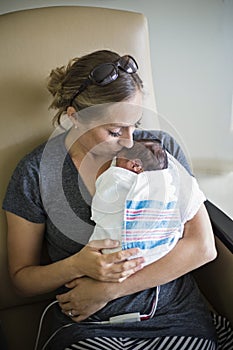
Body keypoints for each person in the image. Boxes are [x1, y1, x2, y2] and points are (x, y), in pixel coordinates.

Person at [2, 50, 217, 350]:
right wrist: (78, 264)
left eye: (135, 123)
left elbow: (202, 247)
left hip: (173, 315)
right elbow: (21, 280)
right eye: (115, 130)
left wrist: (109, 290)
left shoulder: (159, 150)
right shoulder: (36, 173)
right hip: (88, 327)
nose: (130, 140)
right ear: (74, 117)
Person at [89, 141, 206, 268]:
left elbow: (205, 249)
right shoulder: (166, 186)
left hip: (117, 254)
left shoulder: (118, 177)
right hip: (154, 253)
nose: (114, 166)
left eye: (117, 162)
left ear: (135, 165)